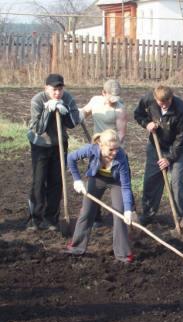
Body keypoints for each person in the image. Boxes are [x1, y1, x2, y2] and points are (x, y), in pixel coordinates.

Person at [65, 129, 134, 263]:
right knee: (87, 212)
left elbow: (126, 186)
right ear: (101, 146)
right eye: (111, 150)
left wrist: (128, 209)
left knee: (119, 214)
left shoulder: (121, 157)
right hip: (97, 178)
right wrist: (77, 179)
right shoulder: (91, 149)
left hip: (116, 182)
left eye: (116, 149)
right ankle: (77, 247)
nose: (114, 153)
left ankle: (123, 254)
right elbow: (71, 158)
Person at [27, 73, 81, 231]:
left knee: (57, 181)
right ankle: (36, 218)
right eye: (54, 89)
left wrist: (66, 112)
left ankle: (51, 218)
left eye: (60, 89)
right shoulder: (37, 100)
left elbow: (73, 123)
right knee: (39, 181)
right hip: (40, 144)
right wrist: (48, 110)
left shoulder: (68, 98)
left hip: (59, 144)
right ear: (46, 88)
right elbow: (38, 129)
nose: (57, 93)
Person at [134, 85, 183, 228]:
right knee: (151, 180)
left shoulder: (182, 110)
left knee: (176, 182)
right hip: (156, 145)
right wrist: (146, 124)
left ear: (172, 97)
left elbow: (181, 139)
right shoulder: (148, 100)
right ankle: (148, 215)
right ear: (155, 98)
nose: (164, 105)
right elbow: (138, 114)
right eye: (161, 103)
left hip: (176, 149)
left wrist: (169, 158)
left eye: (167, 102)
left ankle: (181, 216)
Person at [80, 79, 129, 227]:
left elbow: (121, 134)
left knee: (120, 182)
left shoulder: (120, 109)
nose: (115, 100)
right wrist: (80, 114)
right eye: (111, 97)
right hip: (97, 150)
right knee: (95, 181)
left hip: (114, 151)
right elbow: (84, 111)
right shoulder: (95, 101)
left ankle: (128, 212)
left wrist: (110, 149)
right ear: (103, 93)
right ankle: (96, 216)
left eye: (117, 97)